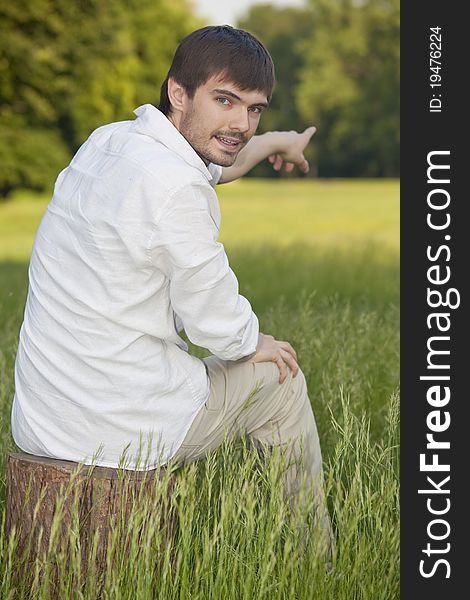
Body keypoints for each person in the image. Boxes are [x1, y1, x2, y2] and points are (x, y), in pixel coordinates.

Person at [11, 25, 332, 555]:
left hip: (46, 418)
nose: (241, 123)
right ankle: (315, 563)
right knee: (281, 382)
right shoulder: (175, 189)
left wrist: (280, 143)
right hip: (117, 428)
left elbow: (210, 168)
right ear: (178, 92)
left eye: (255, 110)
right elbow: (218, 324)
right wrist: (255, 344)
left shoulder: (112, 142)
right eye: (225, 100)